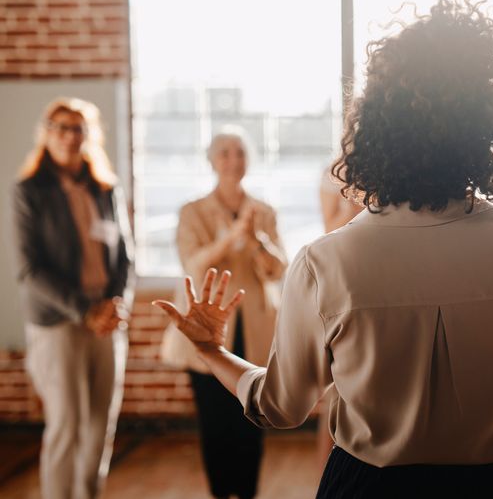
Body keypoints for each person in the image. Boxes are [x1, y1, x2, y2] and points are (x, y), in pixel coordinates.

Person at [154, 0, 493, 499]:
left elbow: (280, 405)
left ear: (370, 135)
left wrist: (210, 350)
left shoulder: (325, 262)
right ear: (489, 134)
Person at [13, 97, 134, 499]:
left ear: (89, 135)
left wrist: (115, 306)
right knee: (67, 425)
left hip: (107, 322)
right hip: (59, 324)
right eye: (60, 127)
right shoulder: (30, 191)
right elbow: (32, 270)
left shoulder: (105, 188)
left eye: (78, 128)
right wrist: (86, 311)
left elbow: (125, 257)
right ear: (46, 134)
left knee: (101, 426)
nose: (69, 136)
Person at [160, 127, 287, 499]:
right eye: (225, 153)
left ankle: (248, 493)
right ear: (212, 161)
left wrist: (258, 241)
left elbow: (278, 269)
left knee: (252, 419)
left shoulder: (264, 212)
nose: (233, 160)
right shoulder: (193, 212)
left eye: (240, 153)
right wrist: (230, 238)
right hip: (207, 328)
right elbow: (193, 264)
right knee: (215, 424)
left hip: (256, 329)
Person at [314, 167, 364, 471]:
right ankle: (328, 476)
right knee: (336, 388)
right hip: (345, 278)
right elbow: (328, 231)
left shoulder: (399, 160)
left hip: (386, 271)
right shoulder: (336, 172)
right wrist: (353, 206)